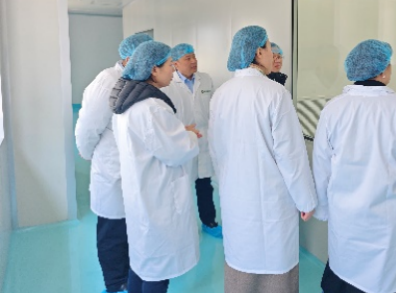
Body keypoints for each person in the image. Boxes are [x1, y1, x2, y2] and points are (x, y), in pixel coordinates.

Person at [312, 40, 396, 293]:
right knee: (380, 283)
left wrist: (322, 208)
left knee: (343, 276)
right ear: (383, 71)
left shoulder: (334, 108)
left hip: (344, 218)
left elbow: (322, 166)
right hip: (384, 224)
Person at [209, 26, 318, 292]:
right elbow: (291, 155)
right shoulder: (275, 93)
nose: (273, 54)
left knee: (241, 261)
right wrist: (306, 200)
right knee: (274, 265)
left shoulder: (221, 93)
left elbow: (215, 147)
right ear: (258, 52)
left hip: (235, 196)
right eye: (270, 48)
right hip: (272, 200)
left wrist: (226, 182)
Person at [110, 41, 203, 293]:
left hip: (140, 194)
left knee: (142, 263)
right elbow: (177, 151)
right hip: (158, 199)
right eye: (170, 65)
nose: (173, 70)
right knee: (158, 271)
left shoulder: (128, 102)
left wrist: (178, 131)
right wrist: (190, 135)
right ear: (154, 69)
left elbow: (153, 139)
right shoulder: (151, 107)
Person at [76, 32, 153, 293]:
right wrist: (92, 156)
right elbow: (88, 128)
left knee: (135, 231)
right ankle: (114, 283)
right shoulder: (107, 81)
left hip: (138, 171)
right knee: (112, 232)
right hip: (112, 170)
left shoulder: (142, 80)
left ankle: (131, 277)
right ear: (129, 57)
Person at [159, 43, 221, 238]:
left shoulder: (205, 79)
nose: (194, 61)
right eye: (188, 58)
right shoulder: (168, 84)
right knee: (181, 187)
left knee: (205, 184)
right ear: (176, 63)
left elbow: (214, 108)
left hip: (204, 139)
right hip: (181, 139)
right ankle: (182, 227)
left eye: (194, 57)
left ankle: (209, 222)